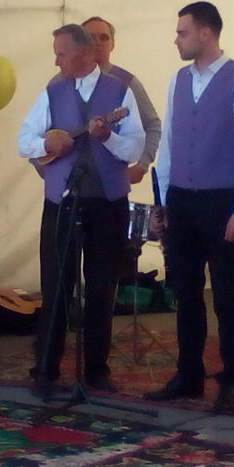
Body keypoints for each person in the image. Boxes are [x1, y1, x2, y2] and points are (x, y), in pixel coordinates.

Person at [144, 1, 234, 414]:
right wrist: (162, 201)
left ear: (205, 33)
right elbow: (169, 144)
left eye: (182, 32)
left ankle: (231, 378)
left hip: (221, 198)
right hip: (182, 197)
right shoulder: (178, 80)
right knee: (185, 290)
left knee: (227, 293)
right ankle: (189, 374)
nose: (176, 39)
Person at [18, 23, 145, 399]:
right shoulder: (53, 90)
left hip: (107, 202)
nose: (56, 61)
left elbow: (136, 147)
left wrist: (109, 137)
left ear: (85, 52)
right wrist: (47, 143)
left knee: (102, 286)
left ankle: (96, 369)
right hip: (63, 200)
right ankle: (46, 368)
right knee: (56, 284)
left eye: (61, 53)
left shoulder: (121, 91)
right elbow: (23, 140)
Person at [82, 16, 161, 183]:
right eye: (91, 37)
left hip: (112, 184)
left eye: (104, 37)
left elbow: (152, 125)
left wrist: (142, 164)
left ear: (113, 44)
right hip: (68, 183)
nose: (98, 42)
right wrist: (40, 164)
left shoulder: (127, 82)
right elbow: (39, 128)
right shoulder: (61, 82)